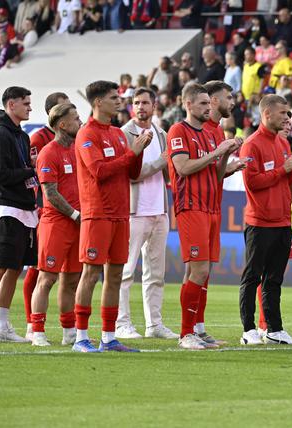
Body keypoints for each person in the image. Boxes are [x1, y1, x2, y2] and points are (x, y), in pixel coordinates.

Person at [71, 80, 150, 353]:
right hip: (97, 213)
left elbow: (132, 172)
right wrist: (132, 153)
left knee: (115, 275)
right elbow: (100, 172)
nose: (119, 102)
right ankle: (80, 337)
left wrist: (138, 152)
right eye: (113, 98)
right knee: (91, 273)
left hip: (120, 213)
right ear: (98, 103)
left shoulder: (117, 133)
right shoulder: (86, 134)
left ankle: (108, 336)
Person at [167, 83, 244, 350]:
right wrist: (216, 152)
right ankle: (185, 333)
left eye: (207, 103)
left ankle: (197, 329)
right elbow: (183, 167)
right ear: (187, 104)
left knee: (204, 270)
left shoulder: (213, 133)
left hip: (212, 207)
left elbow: (216, 173)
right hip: (191, 206)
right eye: (202, 103)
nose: (207, 107)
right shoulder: (179, 131)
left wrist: (227, 157)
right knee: (198, 269)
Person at [238, 94, 292, 345]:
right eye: (283, 113)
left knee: (274, 279)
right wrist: (283, 170)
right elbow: (253, 183)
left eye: (288, 113)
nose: (287, 117)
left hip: (282, 222)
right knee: (252, 277)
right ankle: (248, 330)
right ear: (267, 114)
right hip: (259, 222)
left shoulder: (283, 144)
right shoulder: (252, 145)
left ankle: (275, 329)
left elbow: (291, 191)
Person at [113, 87, 178, 340]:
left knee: (155, 274)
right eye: (136, 103)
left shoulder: (161, 134)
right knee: (126, 271)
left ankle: (155, 324)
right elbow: (132, 173)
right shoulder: (123, 134)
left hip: (159, 210)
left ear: (154, 106)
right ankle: (122, 323)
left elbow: (167, 174)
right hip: (134, 211)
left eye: (145, 103)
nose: (140, 107)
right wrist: (163, 161)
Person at [0, 88, 38, 345]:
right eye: (26, 104)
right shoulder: (0, 134)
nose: (30, 108)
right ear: (11, 105)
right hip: (6, 208)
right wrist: (29, 170)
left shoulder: (21, 136)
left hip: (23, 208)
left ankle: (2, 323)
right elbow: (0, 175)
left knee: (14, 268)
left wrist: (27, 171)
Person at [29, 103, 84, 347]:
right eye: (75, 118)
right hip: (57, 223)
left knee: (71, 280)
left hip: (77, 222)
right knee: (47, 278)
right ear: (62, 124)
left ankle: (69, 330)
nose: (80, 121)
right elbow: (50, 193)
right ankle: (37, 330)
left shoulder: (78, 149)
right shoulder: (48, 153)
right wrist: (74, 214)